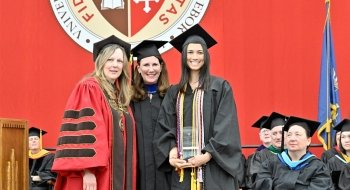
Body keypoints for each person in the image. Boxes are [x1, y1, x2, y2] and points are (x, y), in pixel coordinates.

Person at [153, 24, 244, 190]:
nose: (195, 57)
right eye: (190, 52)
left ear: (206, 56)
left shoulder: (220, 87)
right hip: (183, 171)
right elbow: (165, 126)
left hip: (214, 170)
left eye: (200, 52)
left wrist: (208, 154)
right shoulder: (175, 92)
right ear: (183, 56)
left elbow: (226, 127)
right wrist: (172, 152)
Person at [52, 35, 137, 190]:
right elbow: (84, 133)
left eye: (119, 61)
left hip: (117, 174)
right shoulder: (89, 88)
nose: (115, 65)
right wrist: (88, 171)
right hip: (96, 174)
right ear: (101, 61)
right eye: (110, 60)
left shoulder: (119, 95)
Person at [130, 40, 171, 190]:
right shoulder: (129, 99)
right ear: (138, 68)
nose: (151, 69)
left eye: (155, 64)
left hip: (167, 171)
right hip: (138, 170)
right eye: (146, 65)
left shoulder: (171, 96)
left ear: (161, 67)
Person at [253, 116, 333, 190]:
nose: (292, 139)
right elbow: (260, 185)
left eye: (297, 135)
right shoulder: (270, 164)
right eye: (289, 135)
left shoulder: (318, 167)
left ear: (308, 140)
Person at [248, 112, 287, 185]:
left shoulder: (295, 155)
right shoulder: (259, 156)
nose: (278, 137)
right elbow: (255, 182)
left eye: (281, 133)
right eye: (274, 133)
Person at [243, 115, 270, 189]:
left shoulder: (284, 154)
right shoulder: (254, 157)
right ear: (260, 135)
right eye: (264, 131)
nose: (266, 133)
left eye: (269, 130)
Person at [326, 119, 350, 190]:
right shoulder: (333, 162)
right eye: (343, 137)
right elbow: (328, 185)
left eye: (349, 136)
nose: (346, 140)